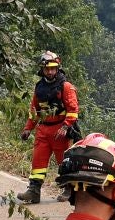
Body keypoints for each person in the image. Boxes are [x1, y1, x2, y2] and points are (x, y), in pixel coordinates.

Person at [23, 50, 81, 204]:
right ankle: (34, 191)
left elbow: (73, 110)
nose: (50, 71)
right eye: (47, 69)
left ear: (58, 68)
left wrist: (66, 126)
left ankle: (69, 189)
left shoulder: (66, 86)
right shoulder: (39, 87)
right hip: (43, 130)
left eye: (53, 68)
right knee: (38, 161)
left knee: (64, 161)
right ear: (42, 69)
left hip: (60, 130)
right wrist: (28, 128)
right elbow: (34, 111)